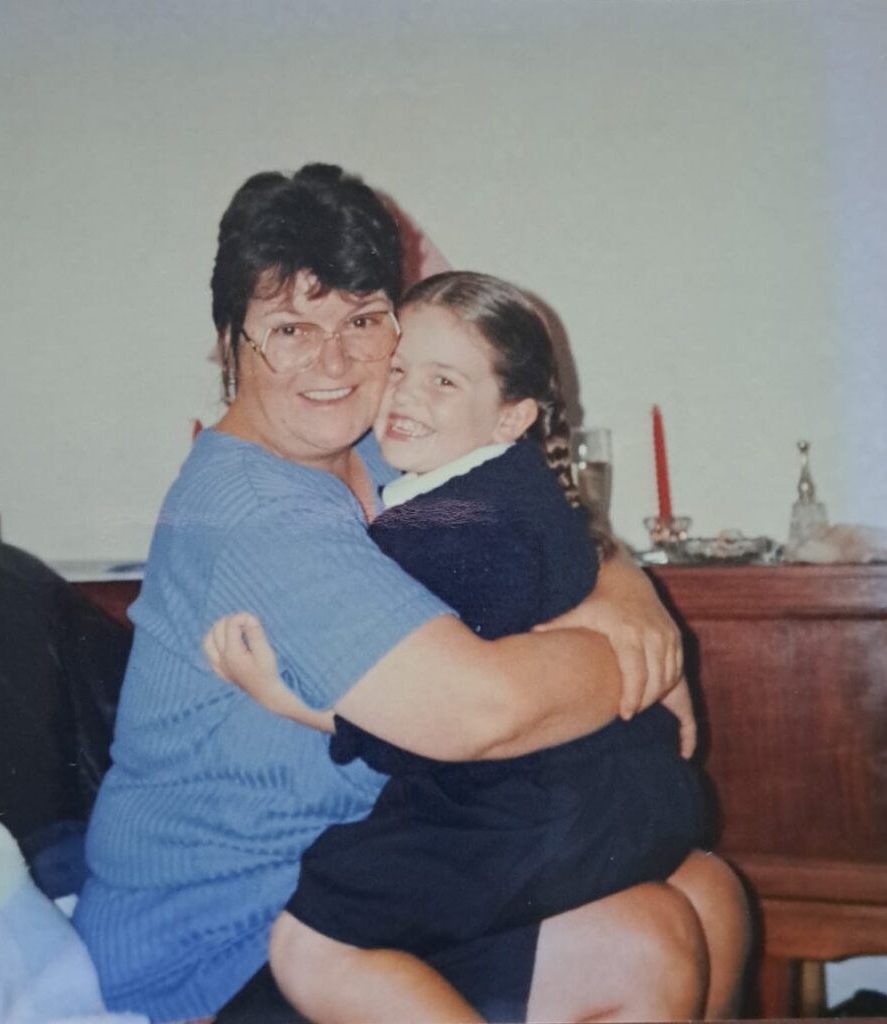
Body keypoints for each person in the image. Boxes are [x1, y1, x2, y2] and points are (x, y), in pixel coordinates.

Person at [74, 164, 748, 1024]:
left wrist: (626, 593)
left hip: (379, 871)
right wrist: (632, 660)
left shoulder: (385, 450)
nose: (332, 362)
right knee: (642, 938)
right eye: (289, 328)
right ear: (228, 341)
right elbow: (476, 713)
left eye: (361, 320)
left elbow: (545, 520)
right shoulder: (248, 508)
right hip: (223, 942)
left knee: (711, 895)